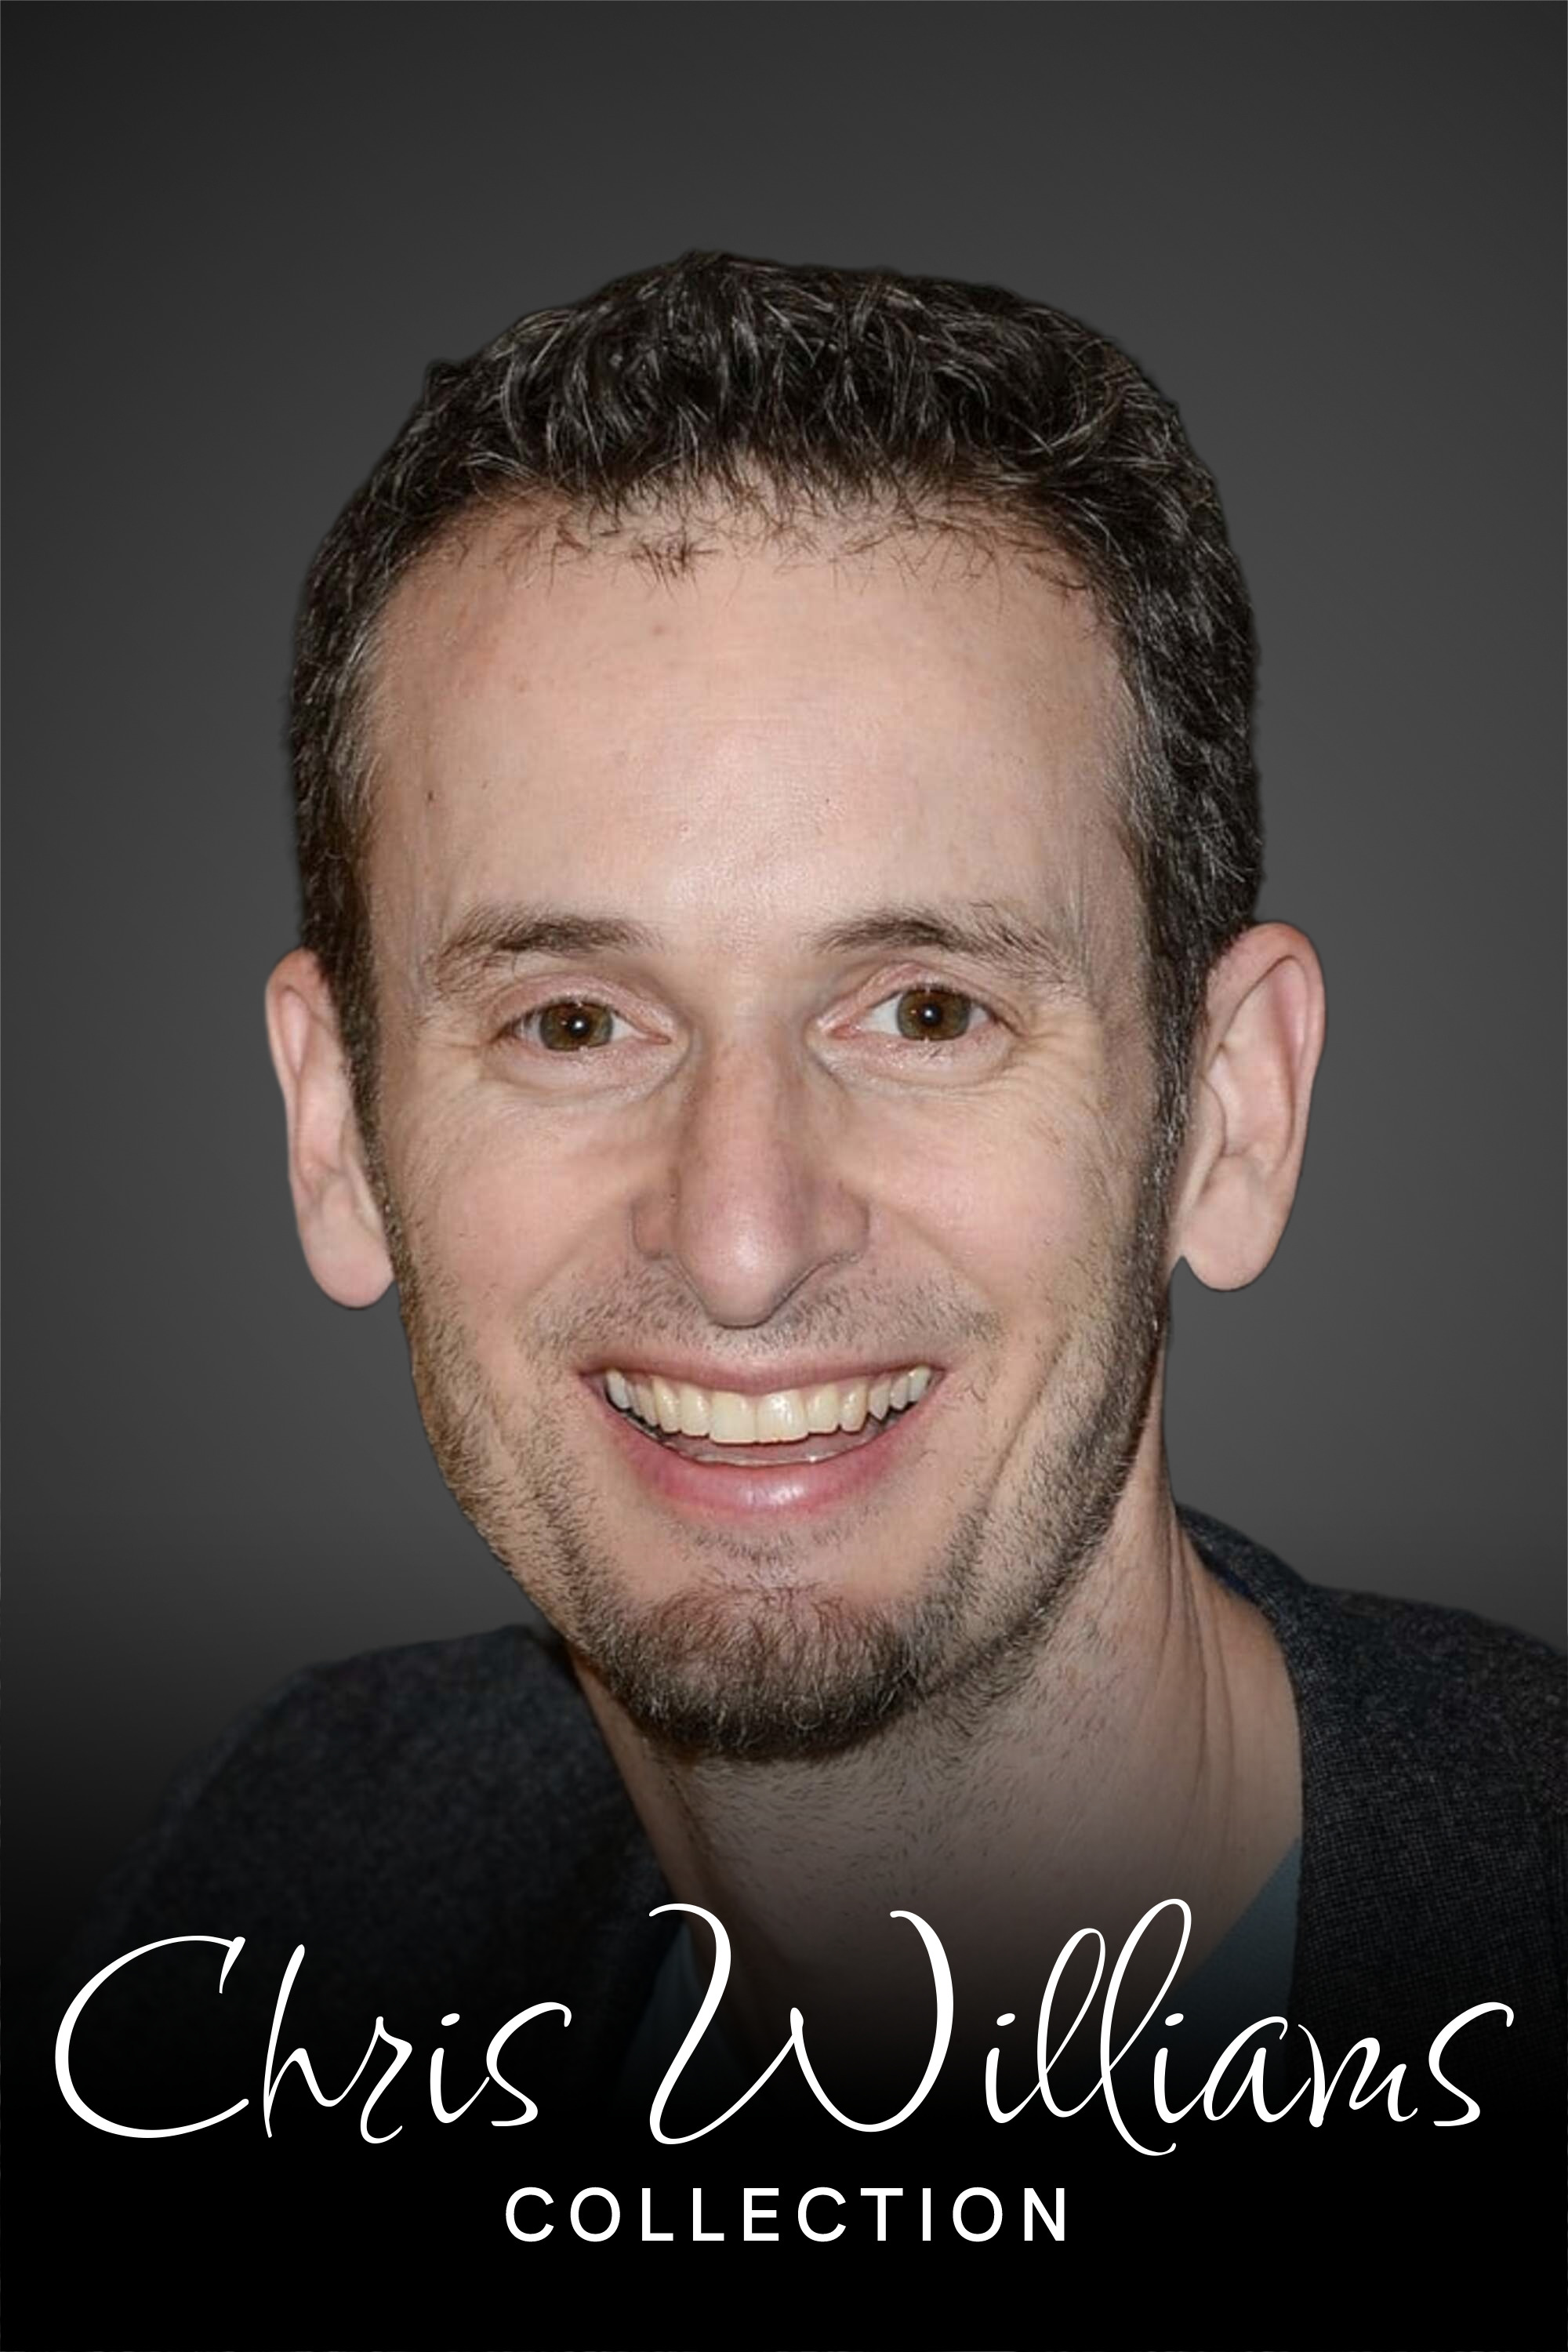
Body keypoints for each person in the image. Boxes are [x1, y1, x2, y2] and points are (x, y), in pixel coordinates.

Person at [45, 253, 1563, 2349]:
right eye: (575, 1022)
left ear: (1232, 1113)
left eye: (926, 1009)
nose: (743, 1236)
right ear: (338, 1132)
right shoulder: (273, 1909)